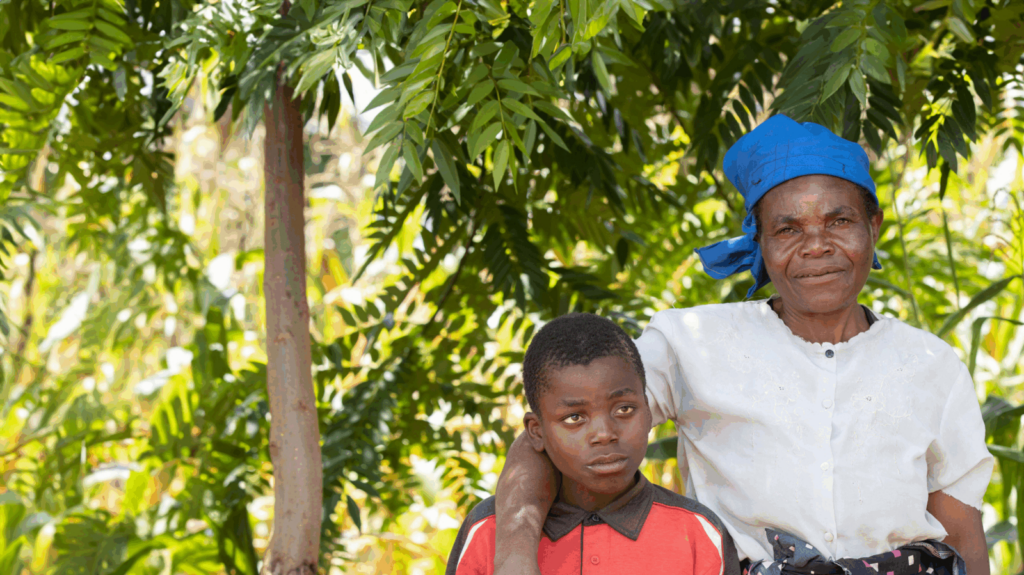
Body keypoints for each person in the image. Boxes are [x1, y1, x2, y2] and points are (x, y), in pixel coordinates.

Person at [491, 115, 994, 575]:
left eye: (839, 222)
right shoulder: (692, 344)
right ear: (760, 243)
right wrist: (515, 554)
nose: (816, 246)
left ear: (873, 227)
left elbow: (963, 538)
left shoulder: (932, 365)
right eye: (788, 228)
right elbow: (562, 427)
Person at [446, 313, 741, 575]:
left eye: (624, 409)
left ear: (649, 411)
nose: (604, 433)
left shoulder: (699, 533)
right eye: (575, 417)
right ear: (536, 431)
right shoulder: (488, 531)